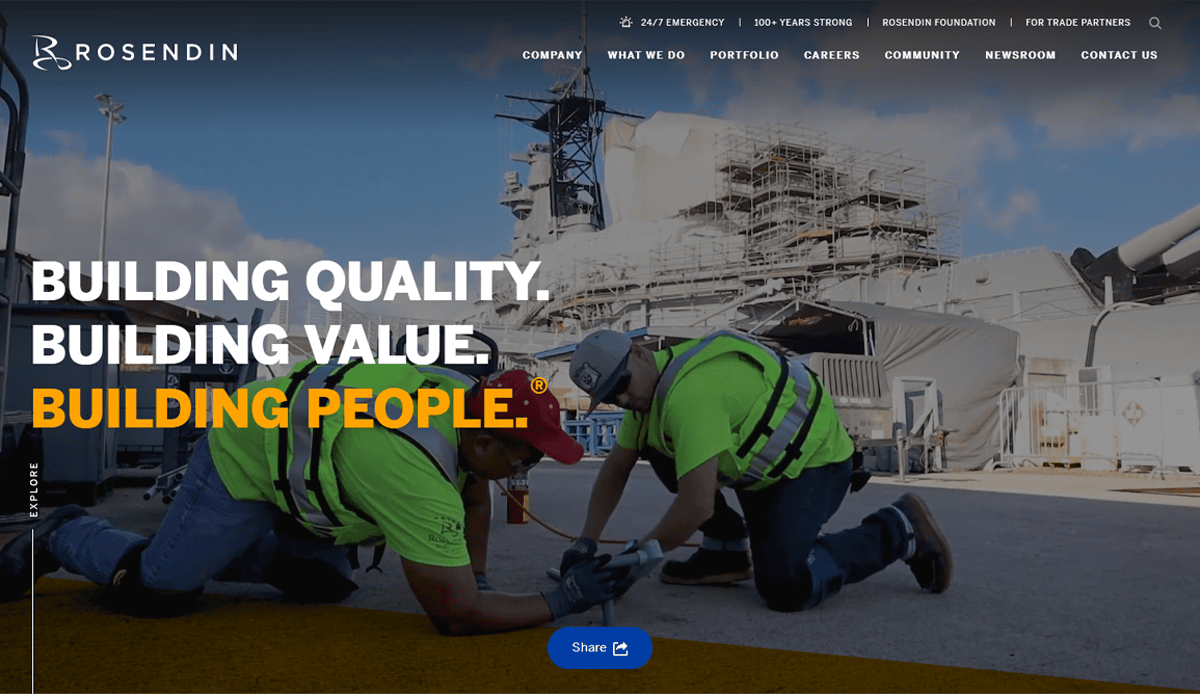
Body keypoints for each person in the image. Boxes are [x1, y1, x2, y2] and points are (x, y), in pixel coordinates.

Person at [1, 362, 624, 635]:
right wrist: (562, 600)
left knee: (325, 586)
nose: (529, 467)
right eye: (526, 453)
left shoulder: (466, 400)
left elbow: (476, 498)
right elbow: (453, 617)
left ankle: (218, 547)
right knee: (158, 592)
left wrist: (483, 580)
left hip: (304, 469)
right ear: (485, 435)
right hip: (246, 457)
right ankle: (65, 533)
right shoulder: (409, 467)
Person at [560, 329, 953, 613]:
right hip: (759, 474)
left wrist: (638, 560)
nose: (625, 399)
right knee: (656, 446)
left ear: (641, 353)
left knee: (785, 586)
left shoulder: (690, 395)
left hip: (813, 465)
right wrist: (585, 544)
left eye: (624, 383)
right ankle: (725, 554)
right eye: (612, 396)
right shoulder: (650, 396)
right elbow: (615, 471)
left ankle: (898, 528)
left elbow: (696, 505)